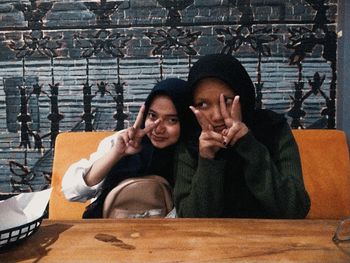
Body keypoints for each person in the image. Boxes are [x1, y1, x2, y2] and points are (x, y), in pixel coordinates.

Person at [173, 53, 311, 218]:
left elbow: (296, 209)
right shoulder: (190, 141)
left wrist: (249, 147)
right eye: (203, 104)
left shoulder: (273, 129)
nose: (216, 116)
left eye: (227, 101)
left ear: (243, 98)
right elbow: (190, 221)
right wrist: (208, 160)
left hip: (273, 240)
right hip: (211, 241)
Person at [62, 78, 191, 218]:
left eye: (172, 120)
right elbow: (71, 192)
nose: (158, 129)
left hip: (166, 235)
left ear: (186, 120)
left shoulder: (191, 154)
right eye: (152, 116)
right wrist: (116, 154)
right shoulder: (123, 140)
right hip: (105, 232)